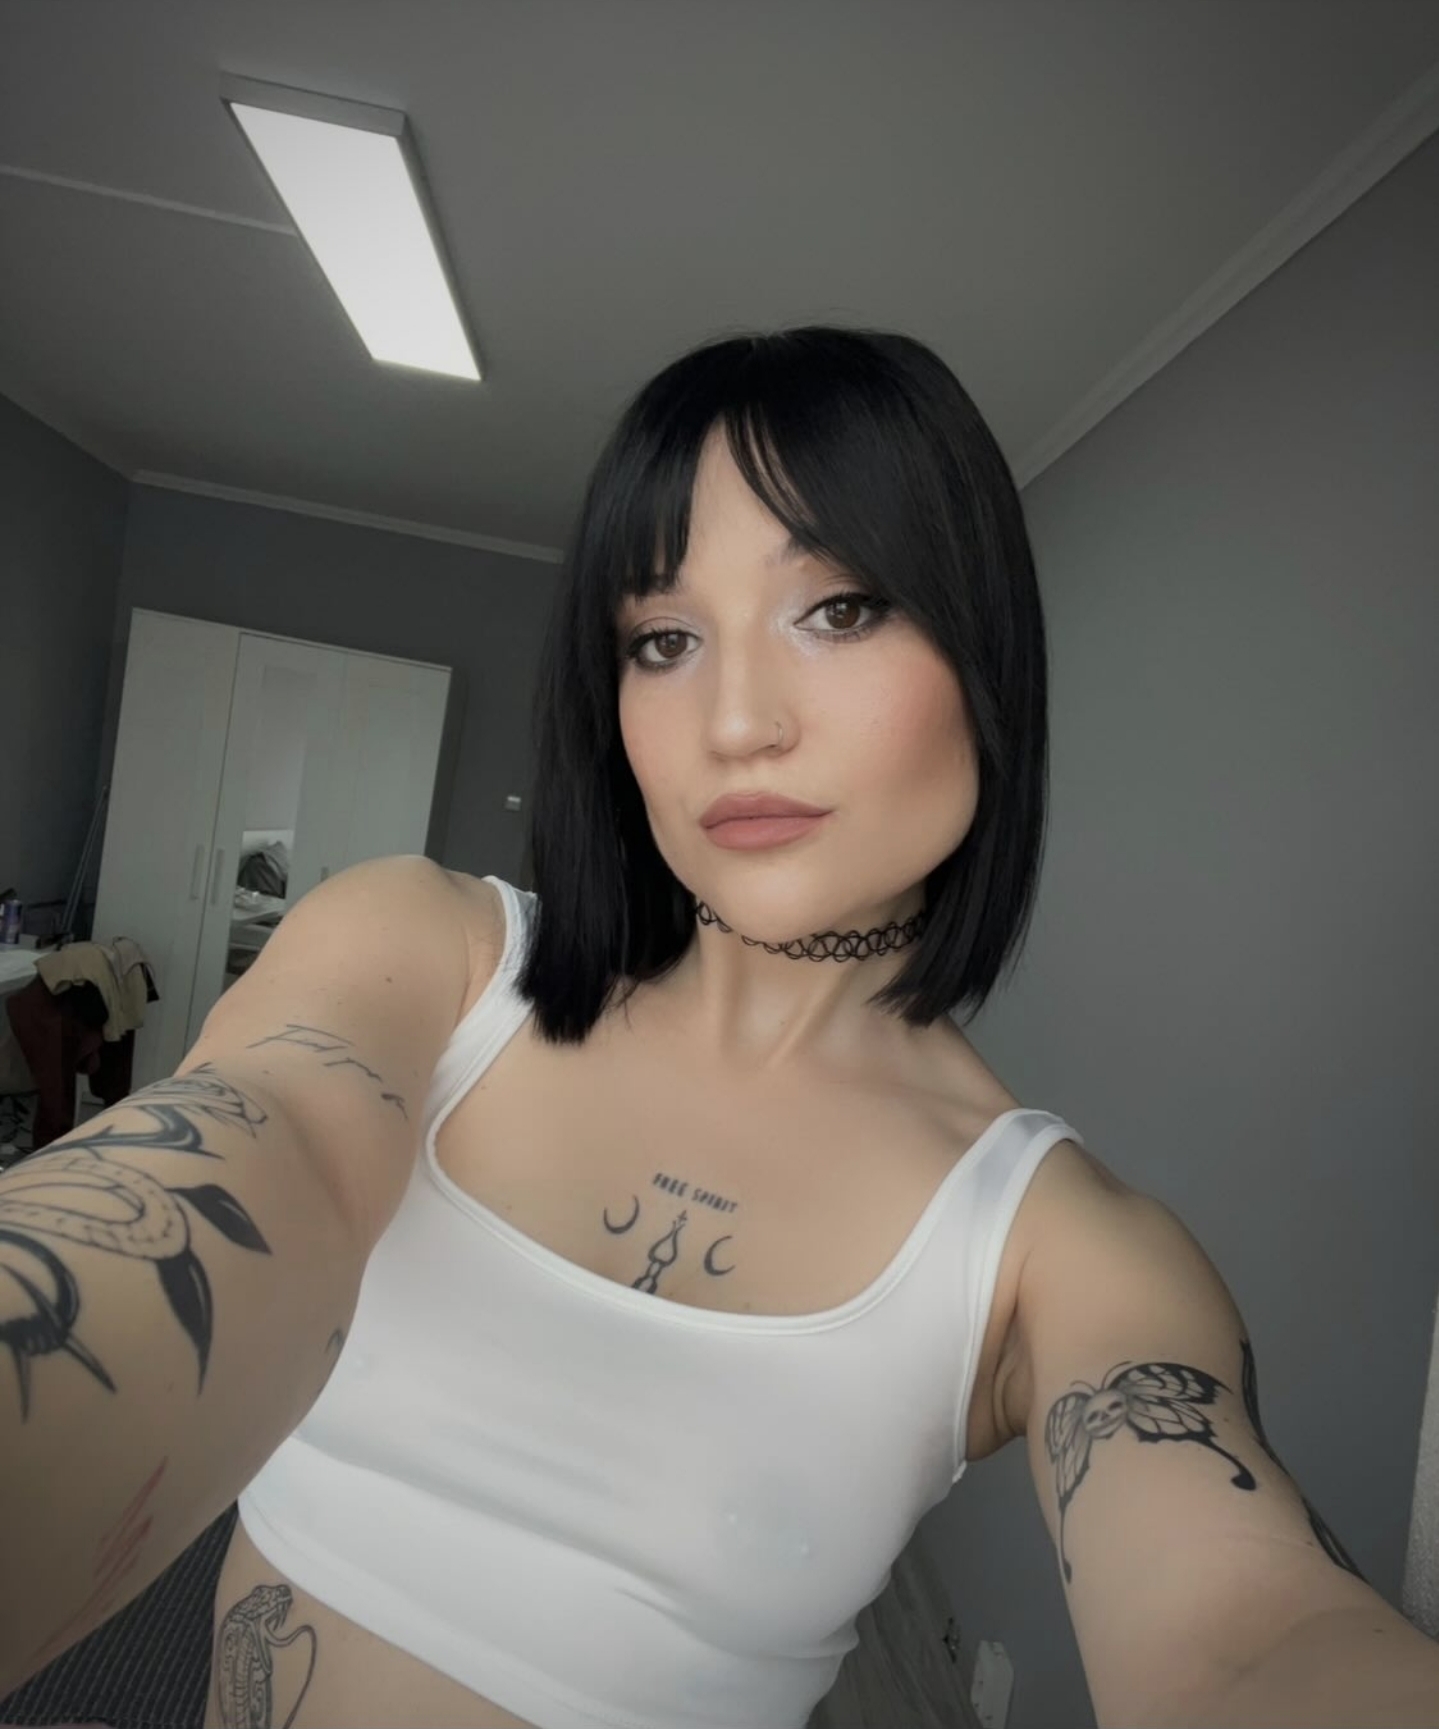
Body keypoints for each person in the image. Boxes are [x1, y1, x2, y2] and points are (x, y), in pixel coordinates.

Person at [1, 327, 1436, 1729]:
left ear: (986, 656)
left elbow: (1247, 1634)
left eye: (841, 609)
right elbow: (228, 1170)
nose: (736, 721)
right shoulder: (424, 956)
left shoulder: (1055, 1246)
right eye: (666, 638)